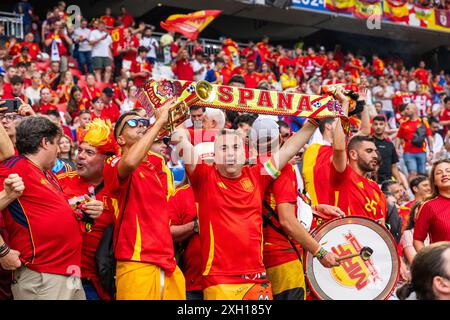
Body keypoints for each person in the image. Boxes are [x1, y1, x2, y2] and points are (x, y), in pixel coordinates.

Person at [170, 89, 348, 300]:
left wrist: (315, 119)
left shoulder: (258, 174)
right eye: (223, 148)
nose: (229, 153)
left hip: (257, 278)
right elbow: (180, 139)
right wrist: (174, 102)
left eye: (235, 147)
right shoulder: (203, 176)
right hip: (219, 280)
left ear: (244, 152)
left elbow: (290, 148)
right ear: (214, 157)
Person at [0, 116, 103, 300]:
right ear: (45, 142)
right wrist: (2, 251)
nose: (59, 149)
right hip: (41, 277)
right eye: (56, 143)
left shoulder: (49, 174)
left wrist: (85, 211)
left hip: (69, 273)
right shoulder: (14, 168)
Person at [250, 117, 341, 300]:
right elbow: (287, 221)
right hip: (284, 258)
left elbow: (273, 207)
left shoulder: (252, 167)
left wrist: (313, 208)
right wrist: (320, 252)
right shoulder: (283, 169)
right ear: (282, 140)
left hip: (260, 257)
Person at [103, 101, 186, 300]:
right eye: (133, 123)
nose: (141, 125)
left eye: (143, 122)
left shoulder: (157, 165)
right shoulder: (113, 163)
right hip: (136, 261)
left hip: (167, 260)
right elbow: (130, 161)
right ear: (120, 139)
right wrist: (158, 122)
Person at [57, 119, 115, 300]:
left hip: (98, 282)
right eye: (79, 150)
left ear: (107, 160)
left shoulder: (117, 189)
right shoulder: (61, 181)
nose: (80, 156)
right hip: (63, 276)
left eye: (89, 152)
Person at [331, 120, 387, 222]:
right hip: (345, 235)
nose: (375, 156)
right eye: (369, 151)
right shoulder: (343, 175)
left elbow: (381, 223)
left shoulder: (375, 188)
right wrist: (345, 104)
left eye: (375, 151)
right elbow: (339, 148)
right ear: (353, 155)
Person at [414, 159, 450, 251]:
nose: (444, 174)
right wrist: (429, 263)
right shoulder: (428, 206)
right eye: (439, 173)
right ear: (434, 181)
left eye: (448, 171)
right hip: (443, 263)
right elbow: (417, 240)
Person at [396, 103, 434, 177]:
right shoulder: (403, 123)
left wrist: (431, 151)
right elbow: (399, 137)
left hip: (421, 151)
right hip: (408, 152)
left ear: (414, 110)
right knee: (412, 173)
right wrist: (397, 148)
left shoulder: (423, 122)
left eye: (408, 109)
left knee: (422, 174)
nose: (405, 111)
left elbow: (429, 137)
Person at [372, 115, 407, 188]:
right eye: (376, 124)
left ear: (385, 125)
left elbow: (393, 166)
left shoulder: (390, 144)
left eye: (381, 124)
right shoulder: (368, 142)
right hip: (372, 182)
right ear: (372, 126)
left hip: (388, 182)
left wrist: (399, 180)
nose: (378, 127)